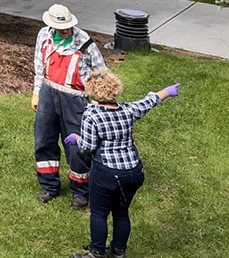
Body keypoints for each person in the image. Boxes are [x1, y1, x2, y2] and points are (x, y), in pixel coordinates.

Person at [64, 70, 180, 258]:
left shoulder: (91, 114)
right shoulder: (128, 110)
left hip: (107, 173)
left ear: (92, 92)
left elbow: (88, 146)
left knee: (99, 213)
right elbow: (148, 101)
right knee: (121, 212)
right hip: (133, 172)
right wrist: (167, 91)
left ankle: (96, 253)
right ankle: (118, 252)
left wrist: (76, 138)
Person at [33, 4, 105, 208]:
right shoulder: (44, 36)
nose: (64, 31)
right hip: (48, 93)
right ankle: (48, 187)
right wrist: (36, 92)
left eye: (66, 28)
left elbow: (101, 72)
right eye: (60, 28)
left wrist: (98, 102)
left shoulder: (85, 42)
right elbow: (39, 65)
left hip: (75, 100)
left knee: (76, 146)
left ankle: (81, 192)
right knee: (43, 139)